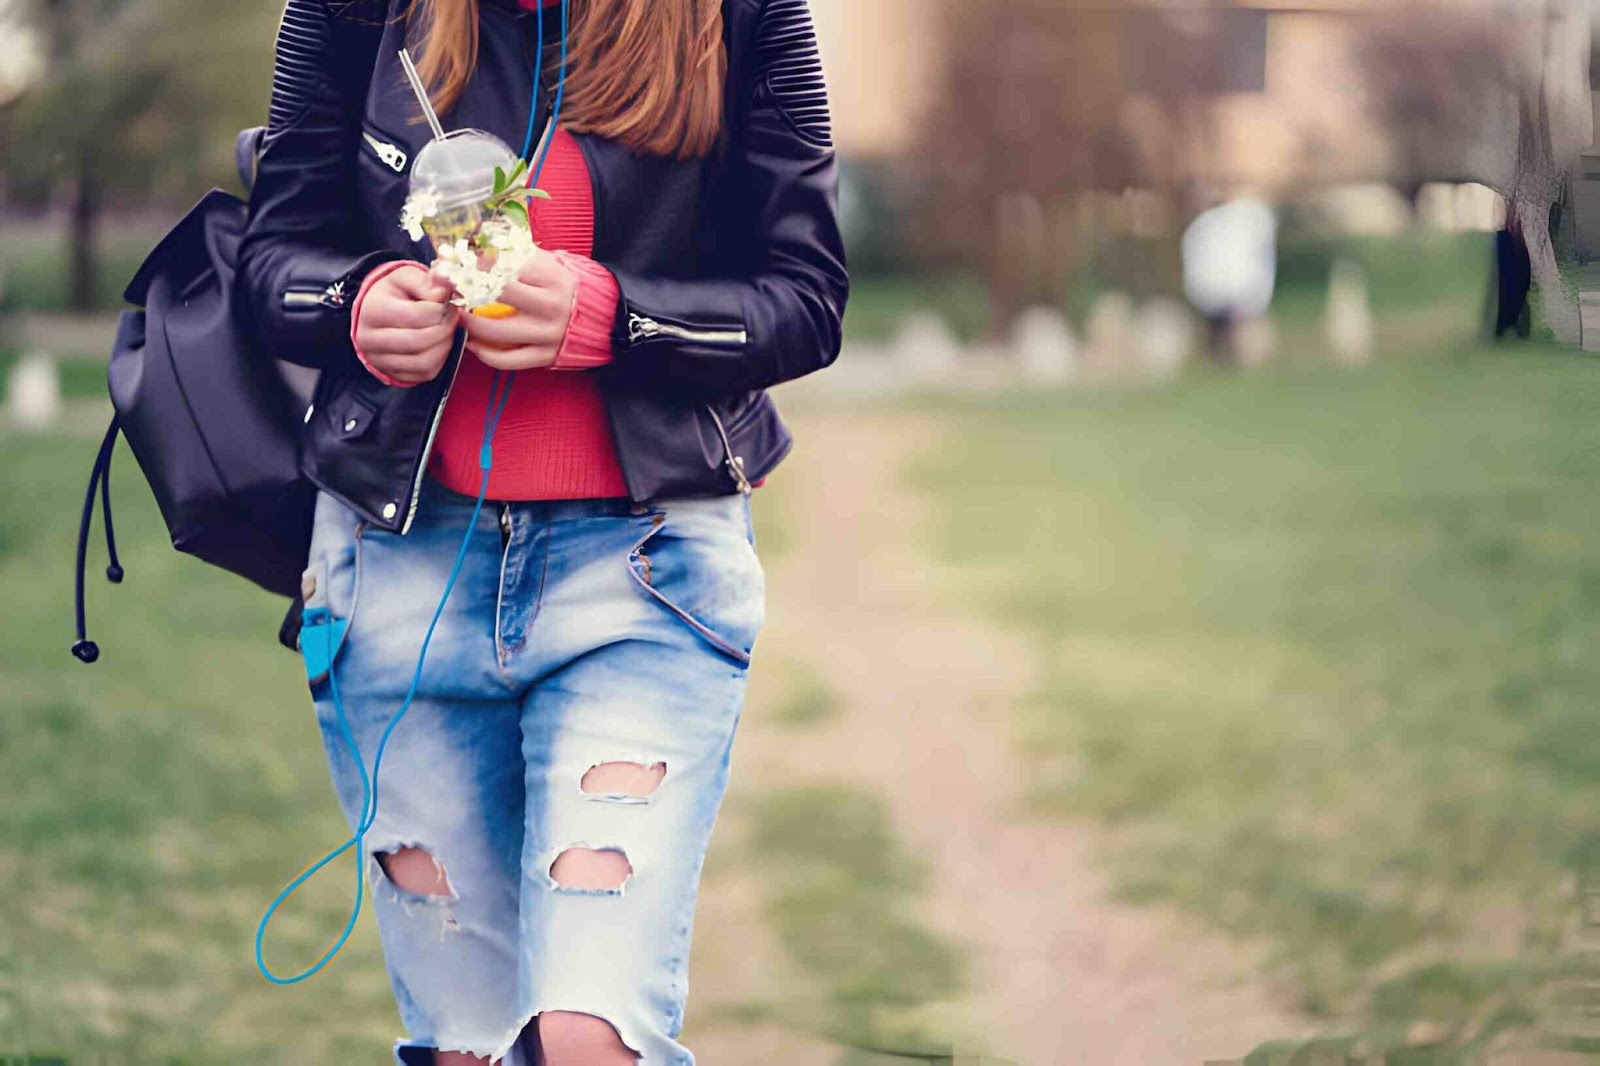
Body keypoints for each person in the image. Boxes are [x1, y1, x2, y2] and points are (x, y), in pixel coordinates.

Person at [235, 0, 848, 1063]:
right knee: (464, 1045)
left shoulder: (742, 15)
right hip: (397, 570)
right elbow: (268, 259)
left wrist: (619, 319)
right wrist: (354, 303)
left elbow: (807, 297)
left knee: (586, 1035)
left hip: (644, 573)